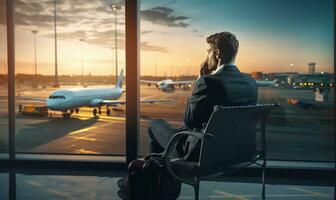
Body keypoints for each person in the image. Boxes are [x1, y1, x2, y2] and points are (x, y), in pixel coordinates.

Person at [117, 31, 258, 199]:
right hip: (237, 151)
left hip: (202, 153)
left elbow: (190, 120)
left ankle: (155, 187)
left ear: (217, 53)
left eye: (208, 51)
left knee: (155, 125)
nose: (207, 56)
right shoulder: (251, 83)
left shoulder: (209, 81)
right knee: (173, 137)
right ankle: (146, 181)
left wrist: (201, 79)